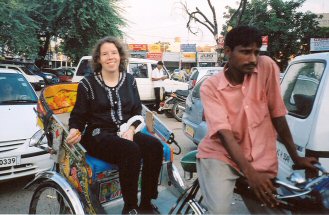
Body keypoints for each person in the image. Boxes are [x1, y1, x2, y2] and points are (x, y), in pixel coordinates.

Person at [196, 26, 317, 214]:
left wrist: (296, 158)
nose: (252, 59)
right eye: (245, 52)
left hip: (260, 158)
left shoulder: (266, 66)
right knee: (219, 211)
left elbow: (278, 115)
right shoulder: (211, 87)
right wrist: (250, 174)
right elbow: (225, 134)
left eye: (256, 52)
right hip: (220, 157)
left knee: (273, 210)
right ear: (228, 51)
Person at [66, 36, 163, 214]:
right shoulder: (87, 84)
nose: (110, 57)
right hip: (97, 135)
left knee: (155, 146)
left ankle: (146, 202)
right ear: (98, 59)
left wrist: (132, 130)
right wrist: (74, 129)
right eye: (105, 54)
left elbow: (136, 111)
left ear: (120, 56)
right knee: (131, 150)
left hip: (125, 131)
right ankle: (130, 207)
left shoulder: (129, 80)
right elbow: (78, 115)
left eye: (114, 52)